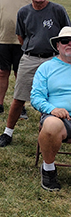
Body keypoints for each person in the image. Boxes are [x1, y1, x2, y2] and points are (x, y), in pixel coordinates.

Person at [0, 0, 70, 147]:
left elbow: (66, 34)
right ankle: (8, 132)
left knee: (55, 95)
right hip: (29, 57)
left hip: (54, 58)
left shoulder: (58, 10)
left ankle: (54, 128)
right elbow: (21, 37)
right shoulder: (23, 12)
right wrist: (33, 49)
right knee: (19, 97)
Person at [32, 26, 71, 191]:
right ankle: (49, 169)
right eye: (65, 41)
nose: (69, 44)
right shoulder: (46, 68)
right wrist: (52, 109)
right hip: (59, 118)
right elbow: (36, 97)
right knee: (51, 125)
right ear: (58, 45)